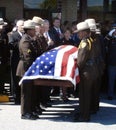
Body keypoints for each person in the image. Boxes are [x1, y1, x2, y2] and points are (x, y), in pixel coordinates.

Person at [74, 21, 98, 122]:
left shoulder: (84, 42)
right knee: (85, 93)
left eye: (79, 32)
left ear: (84, 32)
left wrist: (75, 68)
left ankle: (84, 116)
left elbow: (81, 61)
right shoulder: (89, 40)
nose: (78, 34)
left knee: (84, 94)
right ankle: (84, 113)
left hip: (86, 72)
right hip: (90, 70)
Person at [16, 20, 39, 120]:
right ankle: (25, 113)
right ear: (29, 30)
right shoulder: (25, 40)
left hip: (29, 68)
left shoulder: (30, 39)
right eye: (33, 29)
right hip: (25, 68)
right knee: (25, 92)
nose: (35, 31)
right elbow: (27, 57)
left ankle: (29, 111)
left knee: (30, 92)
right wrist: (32, 68)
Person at [85, 18, 105, 113]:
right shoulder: (99, 37)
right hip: (98, 66)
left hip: (93, 66)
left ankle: (90, 108)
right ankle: (94, 107)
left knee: (90, 89)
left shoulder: (92, 39)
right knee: (95, 88)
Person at [8, 19, 24, 104]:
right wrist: (21, 44)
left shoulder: (25, 35)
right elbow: (11, 45)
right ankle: (16, 97)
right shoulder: (13, 35)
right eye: (21, 25)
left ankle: (22, 97)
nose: (23, 27)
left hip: (23, 61)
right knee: (15, 79)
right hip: (15, 60)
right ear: (17, 26)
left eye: (23, 25)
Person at [105, 29, 116, 100]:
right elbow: (104, 42)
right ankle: (110, 94)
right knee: (111, 80)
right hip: (112, 63)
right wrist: (109, 34)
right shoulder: (110, 39)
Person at [0, 18, 8, 94]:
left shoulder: (4, 35)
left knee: (2, 76)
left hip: (3, 59)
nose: (3, 27)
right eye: (2, 26)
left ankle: (1, 90)